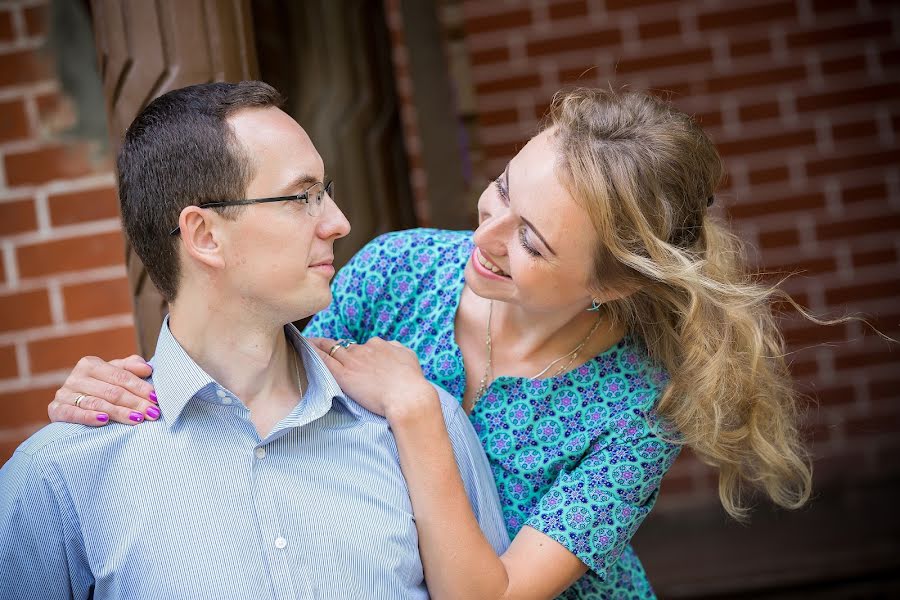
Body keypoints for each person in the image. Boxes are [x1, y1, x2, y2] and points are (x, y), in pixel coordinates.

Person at [47, 88, 813, 599]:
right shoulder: (404, 268)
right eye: (505, 189)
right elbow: (256, 353)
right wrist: (135, 384)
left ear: (608, 286)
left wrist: (415, 410)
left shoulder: (635, 408)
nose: (486, 235)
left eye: (534, 243)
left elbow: (498, 596)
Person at [0, 81, 509, 600]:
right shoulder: (60, 476)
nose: (337, 222)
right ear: (204, 235)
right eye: (303, 197)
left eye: (326, 192)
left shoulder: (423, 427)